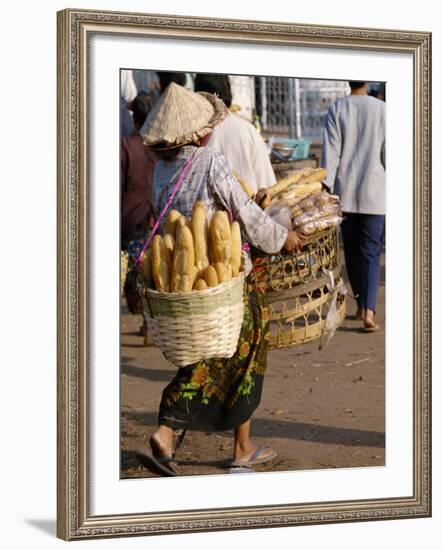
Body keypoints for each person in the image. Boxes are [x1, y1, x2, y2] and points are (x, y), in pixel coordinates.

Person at [136, 82, 303, 476]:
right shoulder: (209, 161)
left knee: (212, 354)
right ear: (197, 132)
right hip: (223, 280)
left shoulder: (162, 168)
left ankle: (189, 439)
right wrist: (283, 238)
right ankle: (184, 435)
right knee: (235, 353)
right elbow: (244, 212)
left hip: (188, 282)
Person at [321, 81, 385, 332]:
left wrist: (325, 186)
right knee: (370, 251)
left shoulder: (337, 108)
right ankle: (368, 310)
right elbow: (387, 153)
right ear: (368, 81)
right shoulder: (383, 109)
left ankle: (361, 305)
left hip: (345, 193)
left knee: (352, 252)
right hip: (375, 192)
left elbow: (331, 152)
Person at [194, 73, 276, 193]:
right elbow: (268, 188)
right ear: (228, 92)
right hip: (251, 207)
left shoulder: (192, 135)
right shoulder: (248, 130)